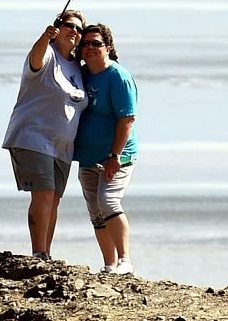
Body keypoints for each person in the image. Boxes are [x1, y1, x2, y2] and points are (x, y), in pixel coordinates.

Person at [2, 10, 88, 261]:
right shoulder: (47, 53)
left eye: (79, 29)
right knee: (44, 194)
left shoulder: (76, 66)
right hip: (33, 137)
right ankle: (38, 253)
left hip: (62, 147)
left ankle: (46, 253)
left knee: (55, 200)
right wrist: (44, 37)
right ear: (57, 28)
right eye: (69, 26)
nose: (74, 31)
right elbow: (35, 59)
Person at [74, 23, 139, 274]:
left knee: (108, 201)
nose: (90, 48)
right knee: (96, 212)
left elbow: (127, 120)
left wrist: (114, 156)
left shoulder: (118, 76)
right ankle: (109, 265)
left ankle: (125, 261)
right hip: (88, 156)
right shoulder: (81, 73)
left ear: (108, 48)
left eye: (96, 43)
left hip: (116, 156)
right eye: (86, 44)